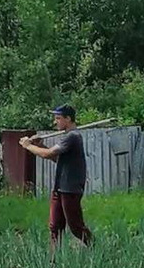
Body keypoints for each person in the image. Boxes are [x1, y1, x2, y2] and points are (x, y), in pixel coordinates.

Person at [20, 105, 92, 248]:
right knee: (55, 226)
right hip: (59, 188)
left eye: (58, 118)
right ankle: (53, 261)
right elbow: (56, 158)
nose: (55, 122)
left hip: (70, 188)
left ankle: (96, 248)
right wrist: (41, 145)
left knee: (76, 226)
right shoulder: (68, 136)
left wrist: (28, 146)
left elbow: (47, 154)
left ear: (68, 119)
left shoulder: (73, 136)